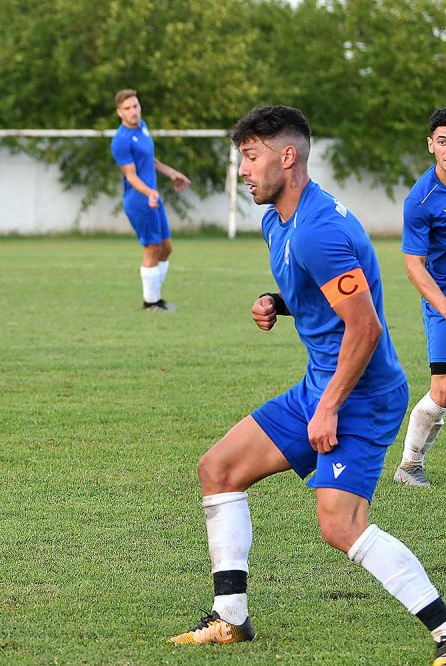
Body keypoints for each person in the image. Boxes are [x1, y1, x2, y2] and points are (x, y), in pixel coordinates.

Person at [168, 106, 446, 666]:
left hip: (361, 397)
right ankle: (231, 619)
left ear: (286, 156)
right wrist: (278, 302)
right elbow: (322, 296)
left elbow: (364, 327)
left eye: (251, 156)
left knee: (340, 526)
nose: (243, 170)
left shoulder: (321, 229)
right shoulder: (278, 219)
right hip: (319, 385)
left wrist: (329, 409)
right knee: (218, 469)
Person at [395, 107, 446, 488]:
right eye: (442, 141)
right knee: (442, 390)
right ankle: (410, 464)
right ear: (431, 145)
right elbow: (414, 266)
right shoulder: (421, 198)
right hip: (440, 294)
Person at [111, 89, 190, 312]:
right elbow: (131, 175)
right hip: (139, 199)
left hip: (151, 195)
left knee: (166, 248)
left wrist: (171, 172)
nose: (133, 111)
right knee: (152, 248)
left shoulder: (142, 127)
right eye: (127, 108)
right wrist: (149, 193)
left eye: (135, 106)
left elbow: (150, 160)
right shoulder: (121, 140)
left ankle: (155, 297)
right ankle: (150, 302)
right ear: (120, 112)